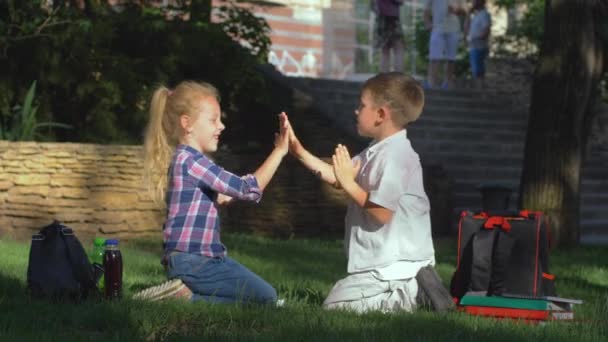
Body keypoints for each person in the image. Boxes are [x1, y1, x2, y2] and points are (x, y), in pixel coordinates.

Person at [286, 72, 441, 313]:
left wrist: (349, 183)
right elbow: (339, 177)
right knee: (336, 303)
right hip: (384, 264)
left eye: (362, 105)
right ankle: (408, 290)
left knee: (335, 308)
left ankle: (411, 294)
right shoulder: (377, 150)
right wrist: (299, 152)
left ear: (381, 114)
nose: (356, 111)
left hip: (397, 265)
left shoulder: (397, 157)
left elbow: (381, 213)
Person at [133, 81, 289, 304]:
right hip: (195, 261)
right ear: (187, 124)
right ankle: (182, 301)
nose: (222, 126)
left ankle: (184, 297)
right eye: (213, 119)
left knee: (261, 300)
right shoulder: (193, 162)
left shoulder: (189, 161)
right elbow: (247, 189)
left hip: (194, 260)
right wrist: (279, 152)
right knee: (266, 298)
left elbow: (227, 194)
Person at [423, 0, 466, 89]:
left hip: (453, 28)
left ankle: (448, 83)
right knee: (434, 57)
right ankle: (431, 83)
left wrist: (456, 9)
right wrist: (427, 23)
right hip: (437, 28)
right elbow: (426, 9)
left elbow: (464, 10)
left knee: (451, 58)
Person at [372, 0, 406, 72]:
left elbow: (373, 5)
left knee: (385, 51)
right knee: (398, 49)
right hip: (392, 18)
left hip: (381, 18)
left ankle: (385, 81)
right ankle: (398, 80)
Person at [464, 0, 491, 88]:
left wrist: (475, 38)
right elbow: (466, 30)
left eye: (475, 1)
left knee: (479, 70)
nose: (473, 3)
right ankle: (478, 89)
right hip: (473, 46)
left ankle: (480, 90)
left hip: (480, 46)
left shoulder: (484, 15)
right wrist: (468, 14)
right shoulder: (476, 16)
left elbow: (486, 31)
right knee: (475, 70)